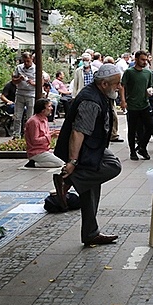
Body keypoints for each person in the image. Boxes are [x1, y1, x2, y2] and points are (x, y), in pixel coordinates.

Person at [54, 64, 122, 246]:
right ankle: (67, 181)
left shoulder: (100, 93)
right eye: (117, 83)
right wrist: (72, 161)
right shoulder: (91, 100)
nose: (119, 87)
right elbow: (78, 132)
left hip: (92, 147)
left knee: (90, 186)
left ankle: (91, 233)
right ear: (105, 84)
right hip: (83, 149)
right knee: (113, 165)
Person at [120, 50, 153, 161]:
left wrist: (151, 95)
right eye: (142, 59)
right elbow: (122, 86)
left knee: (150, 126)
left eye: (146, 60)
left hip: (145, 104)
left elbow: (150, 87)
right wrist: (123, 100)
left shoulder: (148, 73)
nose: (144, 62)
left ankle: (142, 146)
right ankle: (133, 151)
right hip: (132, 105)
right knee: (132, 129)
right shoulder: (129, 72)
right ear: (136, 59)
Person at [24, 98, 64, 168]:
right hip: (36, 152)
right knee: (59, 163)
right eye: (49, 106)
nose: (51, 108)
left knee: (63, 158)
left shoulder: (44, 119)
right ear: (42, 110)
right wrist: (50, 136)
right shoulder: (34, 121)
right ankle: (34, 164)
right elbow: (35, 140)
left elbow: (45, 134)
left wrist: (54, 133)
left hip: (45, 149)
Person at [12, 52, 37, 138]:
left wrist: (32, 83)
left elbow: (41, 83)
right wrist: (19, 79)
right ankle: (16, 135)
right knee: (17, 116)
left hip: (31, 94)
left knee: (30, 117)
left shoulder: (36, 69)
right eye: (24, 61)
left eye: (28, 61)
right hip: (20, 93)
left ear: (31, 60)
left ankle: (29, 135)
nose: (26, 63)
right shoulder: (19, 68)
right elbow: (13, 80)